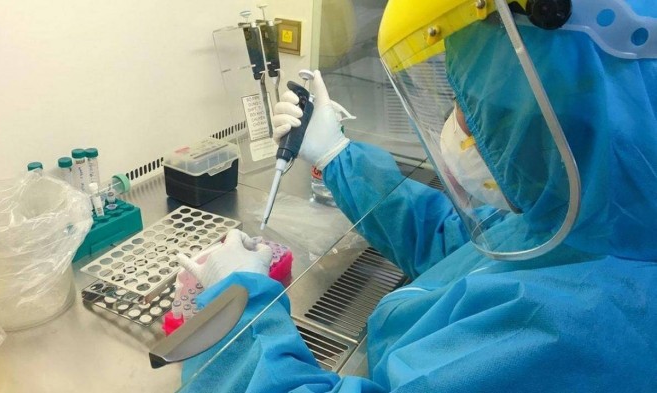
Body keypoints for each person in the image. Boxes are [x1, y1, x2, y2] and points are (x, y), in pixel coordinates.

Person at [180, 0, 657, 391]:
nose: (463, 127)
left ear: (552, 112)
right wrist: (337, 156)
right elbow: (465, 248)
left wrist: (237, 317)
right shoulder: (599, 225)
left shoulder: (577, 332)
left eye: (474, 106)